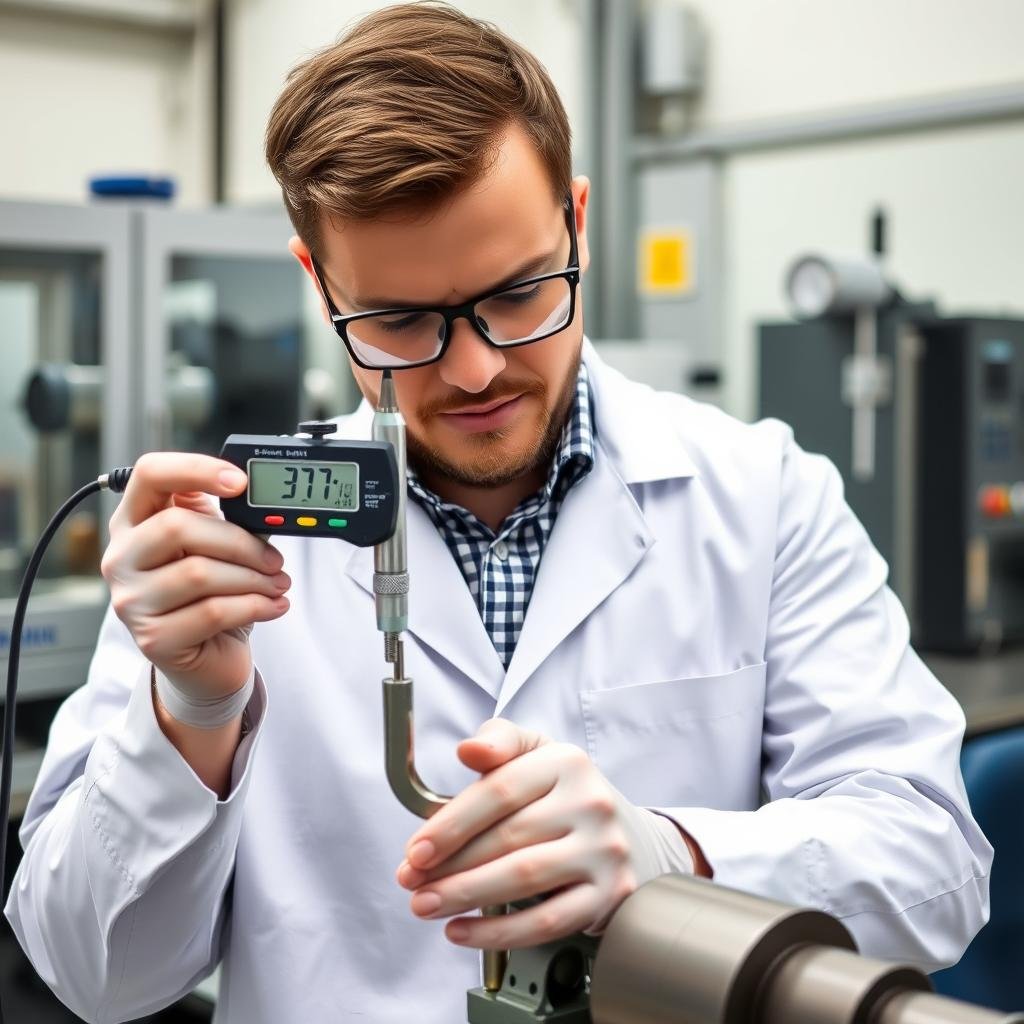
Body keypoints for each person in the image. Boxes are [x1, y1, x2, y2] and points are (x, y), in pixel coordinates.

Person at [5, 4, 991, 1023]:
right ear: (319, 282)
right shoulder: (221, 549)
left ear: (577, 221)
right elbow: (94, 976)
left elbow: (937, 871)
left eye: (518, 293)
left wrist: (677, 856)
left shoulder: (761, 495)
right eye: (399, 320)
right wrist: (192, 714)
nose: (475, 369)